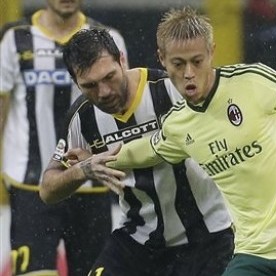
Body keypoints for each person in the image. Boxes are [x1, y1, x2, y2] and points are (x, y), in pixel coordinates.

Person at [92, 7, 276, 276]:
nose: (189, 73)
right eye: (178, 63)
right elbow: (148, 150)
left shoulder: (254, 81)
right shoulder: (177, 124)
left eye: (197, 61)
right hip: (257, 253)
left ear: (212, 53)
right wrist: (97, 158)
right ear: (162, 59)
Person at [39, 28, 235, 276]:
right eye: (89, 85)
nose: (104, 92)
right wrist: (82, 170)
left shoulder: (171, 89)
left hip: (208, 239)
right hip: (138, 242)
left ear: (121, 59)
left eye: (109, 77)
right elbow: (47, 189)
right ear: (75, 82)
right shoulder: (82, 118)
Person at [0, 1, 127, 275]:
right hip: (30, 184)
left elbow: (124, 107)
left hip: (92, 184)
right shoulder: (14, 39)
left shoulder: (108, 39)